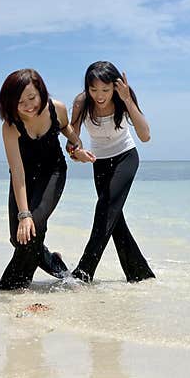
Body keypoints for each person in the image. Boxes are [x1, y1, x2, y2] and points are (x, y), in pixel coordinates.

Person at [0, 68, 94, 290]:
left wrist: (76, 148)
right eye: (20, 102)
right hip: (24, 178)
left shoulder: (55, 109)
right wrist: (23, 214)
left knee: (33, 228)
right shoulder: (10, 127)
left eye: (32, 97)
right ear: (10, 104)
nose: (29, 105)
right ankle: (56, 265)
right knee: (18, 236)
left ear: (41, 92)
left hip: (53, 173)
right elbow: (17, 171)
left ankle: (12, 285)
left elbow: (67, 130)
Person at [67, 61, 156, 283]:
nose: (100, 95)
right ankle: (140, 274)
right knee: (113, 218)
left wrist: (127, 99)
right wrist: (77, 153)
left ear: (114, 87)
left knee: (105, 210)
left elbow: (145, 136)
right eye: (94, 89)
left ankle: (83, 272)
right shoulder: (81, 103)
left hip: (126, 157)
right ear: (87, 87)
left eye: (106, 90)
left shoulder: (123, 98)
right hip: (100, 162)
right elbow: (72, 141)